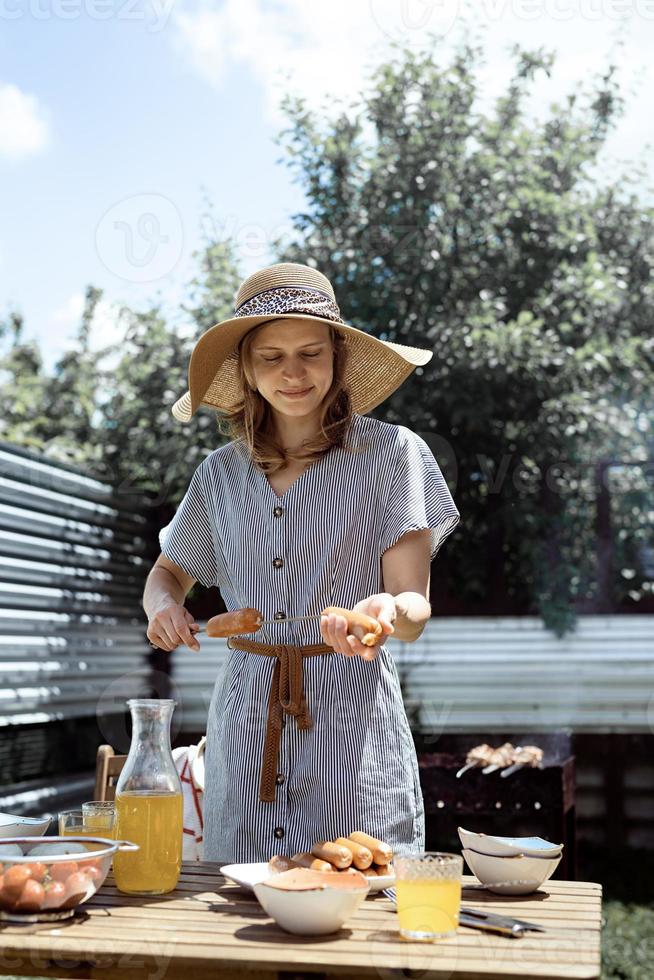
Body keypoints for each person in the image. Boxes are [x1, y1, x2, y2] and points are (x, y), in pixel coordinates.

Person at [143, 262, 460, 863]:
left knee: (361, 888)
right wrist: (164, 606)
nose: (293, 372)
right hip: (246, 717)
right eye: (272, 356)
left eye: (311, 352)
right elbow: (168, 573)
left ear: (338, 357)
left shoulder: (395, 456)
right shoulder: (219, 474)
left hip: (350, 716)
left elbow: (414, 606)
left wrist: (386, 610)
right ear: (247, 369)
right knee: (245, 900)